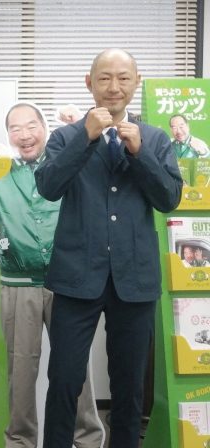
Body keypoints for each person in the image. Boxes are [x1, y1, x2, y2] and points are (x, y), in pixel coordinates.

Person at [35, 48, 182, 448]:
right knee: (64, 380)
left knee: (130, 386)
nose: (114, 86)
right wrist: (85, 137)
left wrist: (140, 153)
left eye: (123, 77)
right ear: (89, 83)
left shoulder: (155, 138)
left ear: (136, 82)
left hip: (135, 280)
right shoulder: (66, 136)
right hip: (75, 278)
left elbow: (169, 198)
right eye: (104, 78)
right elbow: (48, 187)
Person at [0, 103, 105, 447]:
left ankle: (87, 439)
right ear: (7, 135)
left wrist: (81, 125)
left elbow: (99, 166)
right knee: (20, 372)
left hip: (68, 283)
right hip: (18, 284)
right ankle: (20, 441)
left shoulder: (65, 162)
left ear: (45, 129)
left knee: (76, 369)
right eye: (15, 128)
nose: (24, 135)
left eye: (32, 126)